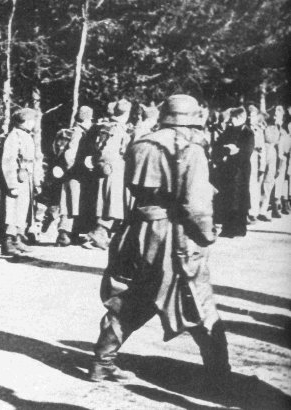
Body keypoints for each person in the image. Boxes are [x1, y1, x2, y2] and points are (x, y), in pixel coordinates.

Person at [90, 95, 230, 392]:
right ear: (191, 120)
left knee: (129, 297)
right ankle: (221, 377)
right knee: (197, 301)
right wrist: (207, 234)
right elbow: (196, 203)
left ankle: (101, 362)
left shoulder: (140, 143)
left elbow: (127, 185)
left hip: (136, 229)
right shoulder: (190, 149)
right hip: (172, 235)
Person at [84, 99, 132, 250]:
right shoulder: (116, 128)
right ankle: (99, 232)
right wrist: (109, 166)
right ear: (127, 113)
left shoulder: (107, 126)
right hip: (114, 169)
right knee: (112, 202)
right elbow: (110, 151)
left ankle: (101, 234)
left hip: (109, 168)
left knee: (108, 201)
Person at [0, 108, 39, 256]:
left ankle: (18, 238)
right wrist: (12, 185)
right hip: (15, 179)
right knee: (10, 210)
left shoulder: (26, 136)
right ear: (24, 121)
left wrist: (36, 181)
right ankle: (7, 241)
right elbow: (8, 162)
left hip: (26, 178)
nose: (33, 123)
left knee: (22, 210)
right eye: (31, 120)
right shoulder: (13, 137)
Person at [54, 106, 93, 246]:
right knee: (71, 204)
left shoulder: (75, 131)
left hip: (73, 174)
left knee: (73, 203)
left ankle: (72, 234)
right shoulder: (78, 133)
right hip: (75, 174)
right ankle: (64, 234)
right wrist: (74, 170)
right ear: (87, 118)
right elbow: (70, 154)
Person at [212, 107, 254, 237]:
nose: (231, 121)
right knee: (228, 197)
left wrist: (235, 152)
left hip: (241, 170)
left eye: (234, 118)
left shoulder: (248, 132)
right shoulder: (229, 130)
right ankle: (228, 227)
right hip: (228, 169)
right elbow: (218, 145)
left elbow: (247, 151)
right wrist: (225, 151)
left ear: (242, 118)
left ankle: (240, 228)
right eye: (232, 118)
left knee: (240, 197)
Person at [258, 113, 283, 221]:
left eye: (276, 116)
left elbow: (279, 145)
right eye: (273, 115)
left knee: (269, 182)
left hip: (273, 154)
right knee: (258, 180)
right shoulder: (263, 126)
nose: (273, 117)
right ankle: (254, 209)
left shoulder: (279, 128)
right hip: (263, 152)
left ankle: (263, 210)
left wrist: (279, 164)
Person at [247, 105, 265, 223]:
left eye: (252, 116)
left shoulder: (259, 131)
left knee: (254, 186)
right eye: (249, 115)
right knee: (246, 185)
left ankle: (253, 212)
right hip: (245, 158)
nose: (250, 118)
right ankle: (247, 212)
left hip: (254, 159)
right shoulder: (245, 129)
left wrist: (262, 166)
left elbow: (262, 149)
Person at [273, 106, 291, 216]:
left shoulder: (284, 129)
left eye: (279, 115)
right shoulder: (274, 127)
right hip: (276, 155)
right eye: (275, 115)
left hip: (284, 156)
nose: (276, 117)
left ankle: (282, 201)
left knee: (283, 179)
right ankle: (276, 203)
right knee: (276, 179)